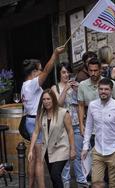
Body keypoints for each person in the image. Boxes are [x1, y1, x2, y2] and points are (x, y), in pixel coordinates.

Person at [21, 46, 65, 188]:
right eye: (38, 70)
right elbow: (47, 70)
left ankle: (30, 186)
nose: (41, 72)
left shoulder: (24, 85)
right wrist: (55, 54)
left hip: (29, 120)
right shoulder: (32, 84)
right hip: (36, 121)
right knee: (39, 160)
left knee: (33, 158)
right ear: (34, 72)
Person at [81, 78, 115, 188]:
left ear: (111, 91)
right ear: (98, 90)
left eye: (106, 89)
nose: (103, 91)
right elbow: (88, 127)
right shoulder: (92, 105)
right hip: (97, 150)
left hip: (114, 151)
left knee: (114, 184)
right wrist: (85, 147)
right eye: (101, 89)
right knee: (96, 183)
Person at [28, 89, 76, 188]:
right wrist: (31, 150)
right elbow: (36, 132)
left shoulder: (63, 113)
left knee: (55, 174)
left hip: (62, 148)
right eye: (44, 99)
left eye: (48, 99)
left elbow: (70, 131)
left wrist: (72, 149)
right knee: (53, 177)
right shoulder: (41, 114)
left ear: (53, 99)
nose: (46, 101)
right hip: (47, 150)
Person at [51, 63, 88, 188]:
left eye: (68, 72)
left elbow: (82, 104)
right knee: (64, 158)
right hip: (62, 128)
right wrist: (65, 89)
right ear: (59, 74)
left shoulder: (76, 87)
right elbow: (57, 105)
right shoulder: (54, 88)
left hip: (76, 125)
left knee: (78, 155)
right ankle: (65, 184)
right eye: (63, 72)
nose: (66, 75)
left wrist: (78, 91)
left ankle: (81, 182)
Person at [77, 58, 115, 137]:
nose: (93, 73)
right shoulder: (82, 85)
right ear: (87, 71)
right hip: (92, 127)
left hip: (109, 126)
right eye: (91, 71)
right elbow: (80, 106)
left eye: (95, 70)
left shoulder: (110, 83)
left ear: (100, 70)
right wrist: (81, 125)